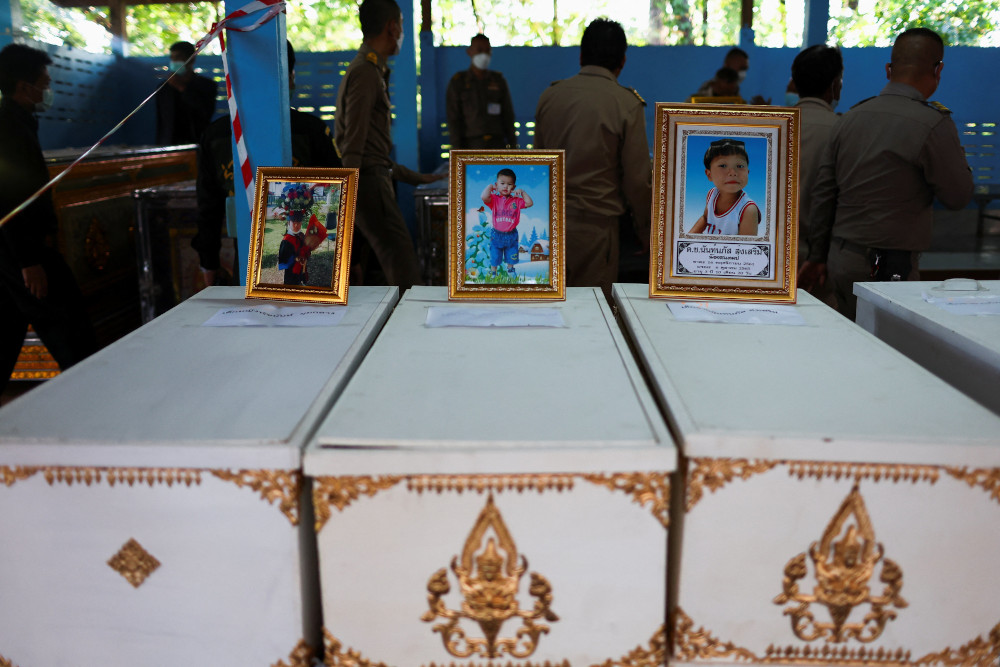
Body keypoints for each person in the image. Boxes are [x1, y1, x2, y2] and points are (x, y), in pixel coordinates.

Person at [798, 28, 974, 320]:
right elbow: (958, 196)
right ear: (938, 69)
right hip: (890, 266)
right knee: (888, 349)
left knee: (851, 339)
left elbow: (823, 194)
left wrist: (818, 257)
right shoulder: (933, 123)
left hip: (839, 260)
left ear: (889, 69)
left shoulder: (850, 118)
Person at [192, 41, 341, 288]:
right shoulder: (311, 131)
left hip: (259, 267)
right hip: (316, 274)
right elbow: (338, 205)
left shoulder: (217, 136)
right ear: (290, 77)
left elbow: (208, 208)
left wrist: (209, 263)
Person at [0, 43, 96, 393]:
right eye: (44, 82)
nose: (48, 89)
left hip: (16, 250)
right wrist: (28, 261)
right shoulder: (8, 128)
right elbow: (8, 199)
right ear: (25, 87)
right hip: (20, 251)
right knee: (70, 329)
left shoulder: (19, 121)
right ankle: (92, 399)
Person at [534, 18, 651, 299]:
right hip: (596, 231)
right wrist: (647, 230)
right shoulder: (626, 104)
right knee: (592, 313)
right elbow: (637, 181)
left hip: (547, 226)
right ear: (622, 61)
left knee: (550, 307)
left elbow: (537, 166)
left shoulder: (550, 97)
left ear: (581, 55)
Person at [335, 0, 442, 291]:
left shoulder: (370, 70)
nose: (402, 33)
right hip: (368, 186)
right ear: (392, 28)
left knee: (381, 276)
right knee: (404, 269)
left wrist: (420, 178)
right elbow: (354, 147)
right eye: (402, 26)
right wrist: (349, 198)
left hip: (371, 180)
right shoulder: (366, 73)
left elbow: (373, 151)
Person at [791, 45, 842, 307]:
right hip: (821, 259)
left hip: (768, 256)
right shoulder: (841, 130)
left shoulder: (770, 126)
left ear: (794, 82)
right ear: (835, 85)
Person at [446, 34, 518, 149]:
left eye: (487, 51)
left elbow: (508, 116)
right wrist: (457, 151)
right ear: (469, 52)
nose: (484, 55)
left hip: (497, 144)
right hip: (471, 145)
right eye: (479, 50)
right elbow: (453, 120)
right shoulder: (459, 82)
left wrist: (513, 146)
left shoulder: (498, 81)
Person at [690, 139, 759, 236]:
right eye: (723, 165)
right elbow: (705, 218)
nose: (733, 172)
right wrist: (689, 238)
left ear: (747, 172)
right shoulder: (711, 194)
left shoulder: (748, 210)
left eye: (739, 166)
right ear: (709, 174)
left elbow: (746, 248)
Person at [155, 41, 218, 146]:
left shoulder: (207, 85)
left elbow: (205, 112)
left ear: (191, 59)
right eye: (172, 58)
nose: (174, 61)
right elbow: (161, 122)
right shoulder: (164, 88)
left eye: (179, 57)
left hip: (198, 143)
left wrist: (181, 88)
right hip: (169, 145)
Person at [481, 168, 533, 277]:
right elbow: (484, 197)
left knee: (512, 254)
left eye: (509, 184)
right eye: (502, 183)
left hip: (511, 234)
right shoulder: (494, 199)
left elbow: (529, 203)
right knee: (495, 255)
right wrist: (490, 187)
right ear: (497, 185)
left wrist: (522, 192)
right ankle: (493, 271)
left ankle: (510, 270)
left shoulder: (516, 201)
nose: (505, 186)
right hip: (497, 234)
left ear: (513, 187)